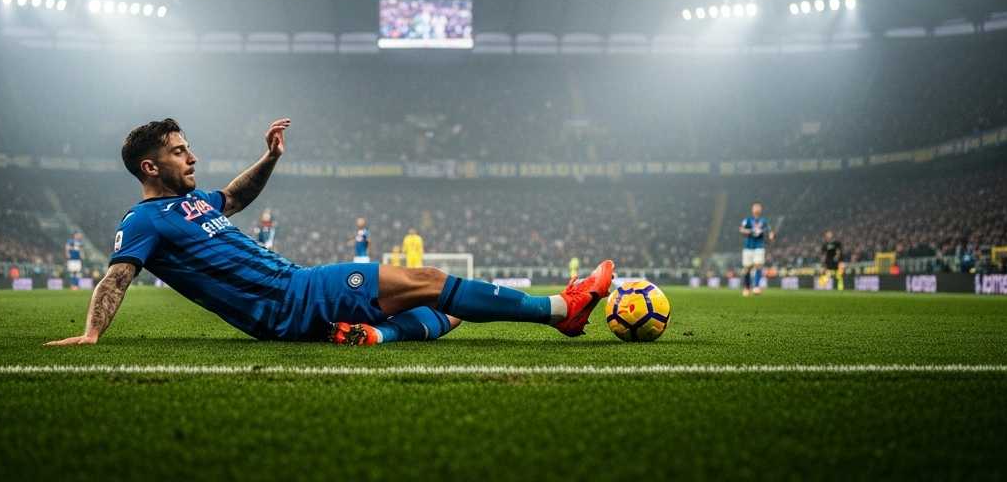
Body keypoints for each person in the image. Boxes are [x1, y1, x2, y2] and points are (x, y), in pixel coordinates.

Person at [46, 118, 613, 348]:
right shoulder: (143, 220)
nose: (191, 156)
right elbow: (116, 278)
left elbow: (237, 196)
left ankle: (377, 336)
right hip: (294, 295)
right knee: (429, 278)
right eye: (177, 151)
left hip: (293, 297)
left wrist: (269, 157)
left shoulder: (194, 202)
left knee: (448, 310)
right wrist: (93, 334)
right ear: (150, 167)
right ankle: (562, 309)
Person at [739, 201, 773, 297]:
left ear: (761, 210)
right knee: (746, 268)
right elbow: (741, 229)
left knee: (759, 265)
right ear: (752, 209)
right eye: (755, 207)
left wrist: (770, 235)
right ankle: (746, 287)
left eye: (759, 207)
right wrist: (751, 231)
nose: (757, 209)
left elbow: (768, 231)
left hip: (759, 246)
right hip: (748, 247)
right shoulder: (748, 220)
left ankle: (756, 287)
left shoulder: (763, 221)